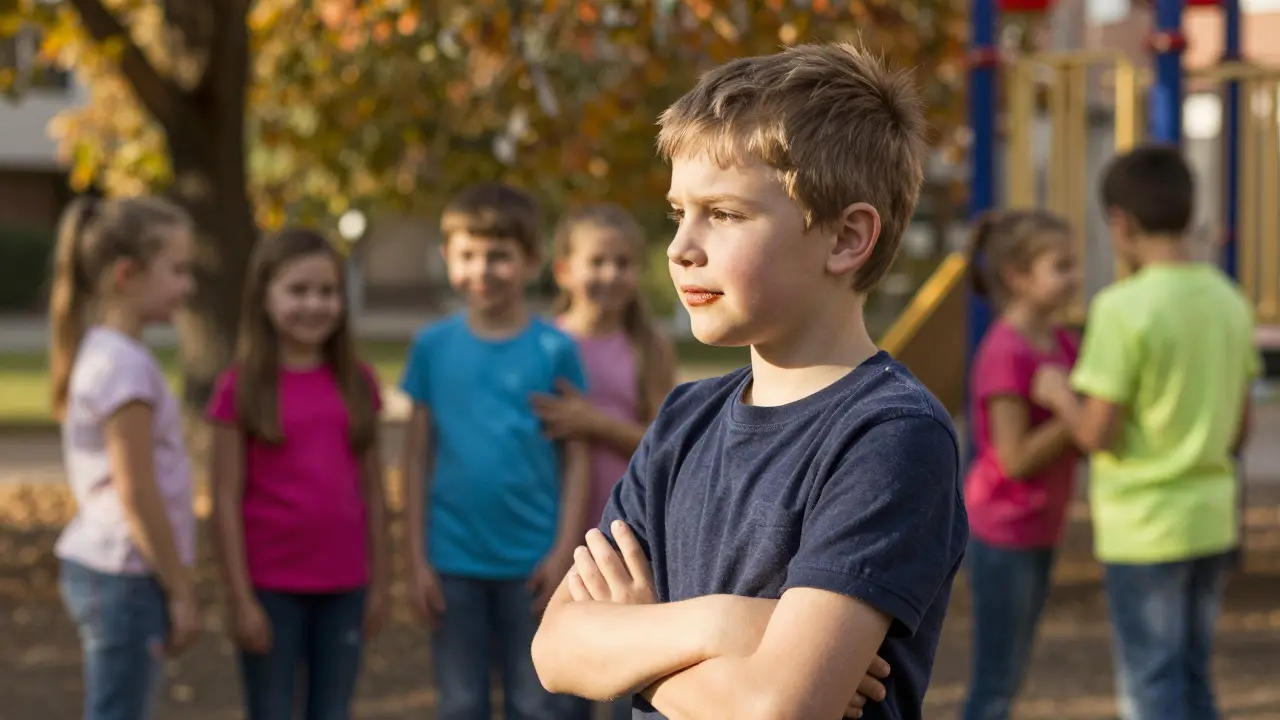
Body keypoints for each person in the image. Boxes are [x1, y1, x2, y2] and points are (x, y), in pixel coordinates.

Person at [531, 42, 967, 720]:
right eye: (680, 213)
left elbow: (778, 709)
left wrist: (633, 652)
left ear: (847, 239)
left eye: (724, 213)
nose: (679, 248)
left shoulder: (890, 437)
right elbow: (557, 650)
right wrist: (726, 625)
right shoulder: (683, 420)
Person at [1032, 145, 1259, 720]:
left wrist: (1059, 394)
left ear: (1121, 223)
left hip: (1144, 527)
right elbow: (1240, 429)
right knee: (1192, 676)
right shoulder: (1231, 300)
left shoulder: (1121, 308)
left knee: (1152, 687)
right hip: (1211, 518)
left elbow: (1097, 433)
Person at [398, 182, 593, 720]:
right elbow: (415, 458)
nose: (483, 269)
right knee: (461, 702)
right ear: (447, 258)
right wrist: (414, 560)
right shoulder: (432, 348)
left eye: (499, 255)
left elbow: (576, 458)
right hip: (453, 562)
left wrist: (563, 553)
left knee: (538, 703)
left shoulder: (555, 349)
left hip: (533, 562)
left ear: (531, 261)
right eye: (468, 254)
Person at [207, 228, 388, 719]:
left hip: (345, 586)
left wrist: (380, 583)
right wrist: (240, 598)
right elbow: (223, 498)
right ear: (264, 296)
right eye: (298, 290)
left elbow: (373, 490)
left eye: (327, 291)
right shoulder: (239, 387)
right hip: (270, 588)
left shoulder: (359, 382)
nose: (315, 304)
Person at [50, 195, 201, 720]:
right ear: (127, 275)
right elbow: (136, 491)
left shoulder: (109, 354)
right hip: (126, 574)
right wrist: (180, 590)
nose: (190, 286)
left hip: (116, 571)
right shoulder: (123, 368)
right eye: (178, 270)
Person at [533, 203, 679, 719]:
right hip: (557, 534)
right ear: (565, 270)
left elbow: (667, 448)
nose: (611, 275)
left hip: (626, 541)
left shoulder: (648, 347)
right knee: (562, 686)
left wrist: (596, 423)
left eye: (623, 263)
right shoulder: (545, 344)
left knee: (624, 683)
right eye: (598, 262)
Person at [959, 210, 1081, 720]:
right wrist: (1069, 410)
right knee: (996, 679)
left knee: (1012, 670)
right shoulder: (1005, 353)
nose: (1076, 276)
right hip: (1002, 532)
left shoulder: (1064, 342)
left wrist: (1074, 409)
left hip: (1038, 529)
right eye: (1062, 265)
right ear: (1017, 277)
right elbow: (1013, 459)